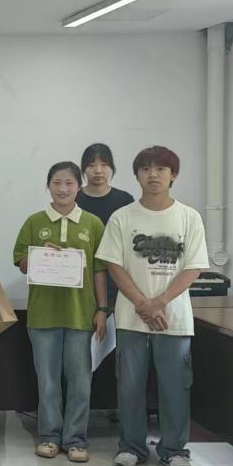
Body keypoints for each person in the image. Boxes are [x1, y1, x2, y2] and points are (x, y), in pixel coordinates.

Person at [96, 146, 208, 466]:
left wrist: (159, 302)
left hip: (174, 319)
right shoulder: (123, 217)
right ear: (137, 175)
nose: (153, 175)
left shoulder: (188, 217)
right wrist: (143, 304)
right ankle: (131, 447)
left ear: (173, 175)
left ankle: (174, 451)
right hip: (131, 319)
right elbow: (114, 265)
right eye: (145, 169)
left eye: (161, 169)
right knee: (129, 386)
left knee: (175, 387)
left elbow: (193, 268)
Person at [13, 162, 107, 463]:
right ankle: (50, 437)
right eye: (56, 182)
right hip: (43, 315)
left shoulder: (92, 223)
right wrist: (41, 257)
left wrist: (102, 309)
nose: (63, 189)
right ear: (48, 186)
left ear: (79, 186)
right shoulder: (34, 221)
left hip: (81, 315)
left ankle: (76, 440)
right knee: (48, 381)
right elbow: (21, 261)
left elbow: (100, 270)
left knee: (80, 380)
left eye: (69, 183)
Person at [76, 143, 135, 366]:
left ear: (112, 168)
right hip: (80, 283)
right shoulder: (74, 199)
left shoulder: (124, 200)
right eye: (91, 165)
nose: (98, 170)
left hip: (117, 283)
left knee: (113, 352)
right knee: (83, 353)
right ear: (83, 169)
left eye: (104, 164)